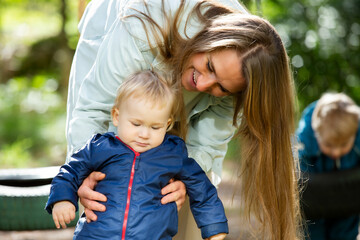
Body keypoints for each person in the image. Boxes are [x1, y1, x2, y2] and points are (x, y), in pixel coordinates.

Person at [66, 0, 302, 239]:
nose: (203, 84)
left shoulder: (245, 74)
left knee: (179, 196)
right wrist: (84, 176)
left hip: (184, 57)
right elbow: (93, 111)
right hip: (121, 35)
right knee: (104, 195)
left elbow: (206, 147)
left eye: (221, 87)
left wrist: (182, 183)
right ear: (210, 37)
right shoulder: (141, 25)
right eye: (209, 66)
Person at [46, 70, 228, 240]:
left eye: (155, 127)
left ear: (168, 124)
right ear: (117, 116)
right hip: (97, 235)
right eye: (136, 124)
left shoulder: (172, 154)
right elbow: (70, 171)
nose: (144, 134)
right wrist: (62, 199)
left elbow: (202, 188)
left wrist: (214, 226)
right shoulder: (101, 147)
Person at [296, 92, 360, 240]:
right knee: (311, 233)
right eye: (329, 145)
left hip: (348, 198)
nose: (336, 152)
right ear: (317, 135)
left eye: (344, 145)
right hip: (314, 200)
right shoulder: (306, 140)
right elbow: (301, 187)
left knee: (345, 233)